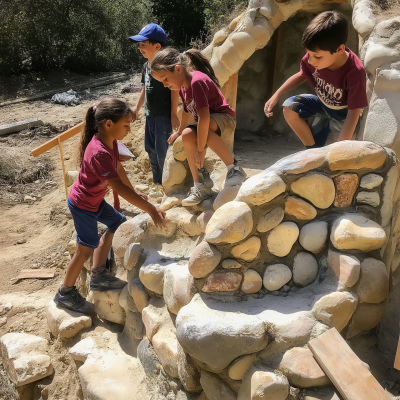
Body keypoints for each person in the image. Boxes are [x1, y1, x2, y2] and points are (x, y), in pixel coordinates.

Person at [53, 99, 166, 313]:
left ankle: (98, 275)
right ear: (108, 124)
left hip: (94, 200)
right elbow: (118, 188)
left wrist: (135, 191)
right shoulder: (99, 152)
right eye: (126, 125)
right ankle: (64, 293)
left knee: (118, 222)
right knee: (84, 249)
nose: (129, 130)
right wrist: (149, 208)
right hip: (83, 204)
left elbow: (119, 172)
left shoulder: (110, 142)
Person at [150, 48, 247, 206]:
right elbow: (188, 112)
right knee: (188, 134)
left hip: (225, 119)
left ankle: (234, 168)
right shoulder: (183, 87)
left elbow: (204, 117)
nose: (165, 85)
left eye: (165, 79)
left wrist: (200, 151)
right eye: (162, 82)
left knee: (204, 129)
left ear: (178, 69)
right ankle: (200, 185)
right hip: (209, 122)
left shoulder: (197, 81)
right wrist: (180, 131)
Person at [264, 11, 368, 148]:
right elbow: (302, 74)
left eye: (317, 56)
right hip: (322, 106)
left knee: (341, 156)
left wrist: (340, 147)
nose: (310, 60)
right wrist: (277, 94)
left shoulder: (355, 71)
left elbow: (354, 113)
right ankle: (311, 150)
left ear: (339, 49)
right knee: (289, 107)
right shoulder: (312, 60)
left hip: (344, 116)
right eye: (308, 53)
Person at [129, 23, 180, 185]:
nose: (140, 48)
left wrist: (173, 113)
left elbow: (174, 90)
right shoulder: (145, 66)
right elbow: (145, 88)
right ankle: (158, 182)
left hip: (163, 118)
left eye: (144, 44)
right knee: (150, 149)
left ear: (157, 46)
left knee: (162, 152)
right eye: (139, 45)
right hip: (149, 116)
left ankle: (168, 183)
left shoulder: (165, 66)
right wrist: (136, 108)